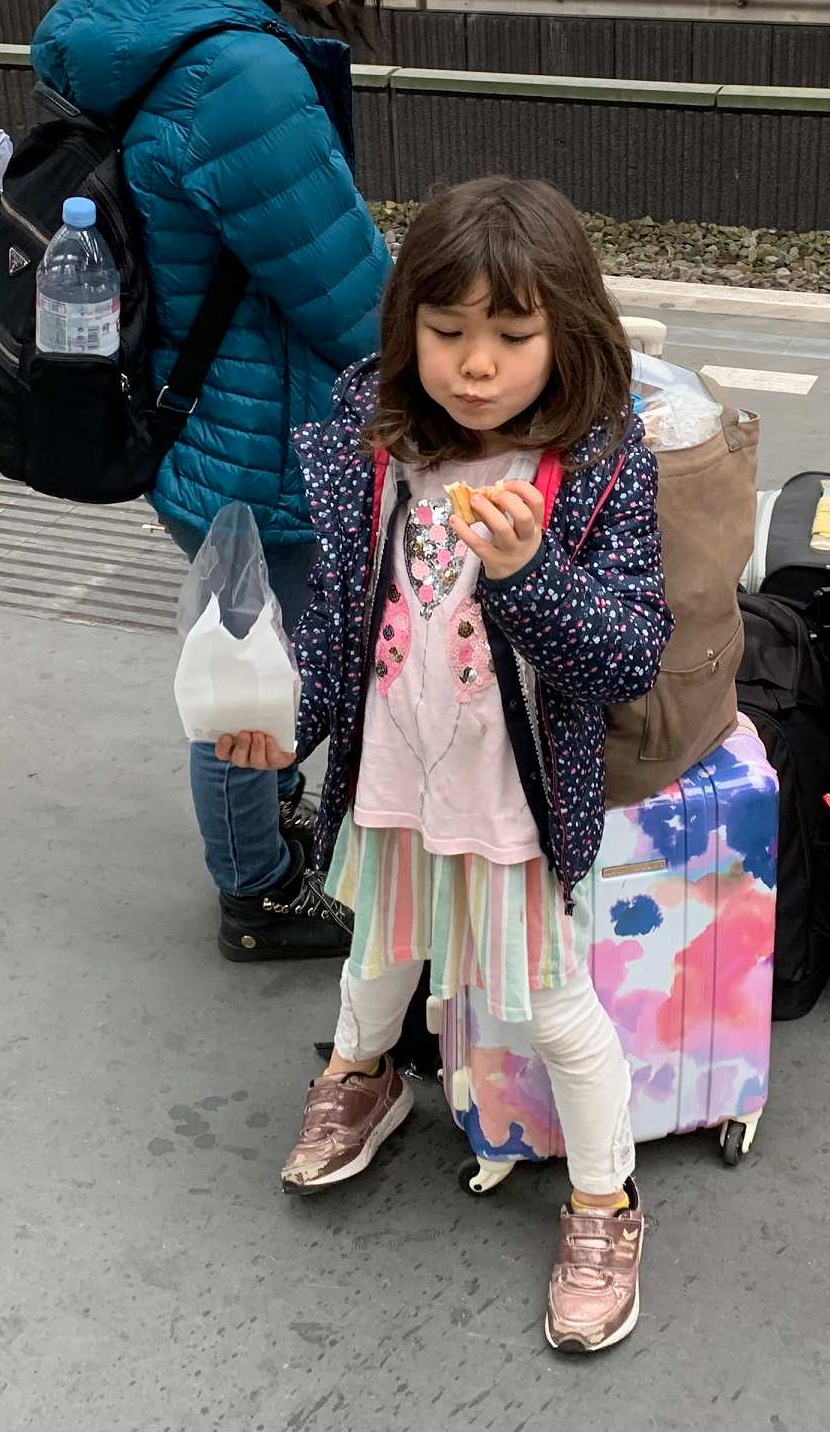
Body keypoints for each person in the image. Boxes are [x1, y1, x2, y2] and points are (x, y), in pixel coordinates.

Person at [214, 177, 671, 1354]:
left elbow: (626, 657)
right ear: (404, 325)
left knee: (553, 1008)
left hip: (513, 806)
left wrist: (528, 578)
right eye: (447, 331)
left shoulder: (600, 467)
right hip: (393, 786)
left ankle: (603, 1202)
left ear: (565, 336)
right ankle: (364, 1076)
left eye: (512, 338)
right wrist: (287, 726)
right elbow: (336, 637)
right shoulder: (377, 447)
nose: (475, 366)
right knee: (377, 950)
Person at [29, 0, 400, 963]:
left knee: (240, 648)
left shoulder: (169, 13)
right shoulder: (243, 76)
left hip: (203, 425)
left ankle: (261, 838)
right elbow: (353, 302)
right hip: (261, 447)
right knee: (249, 683)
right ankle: (258, 890)